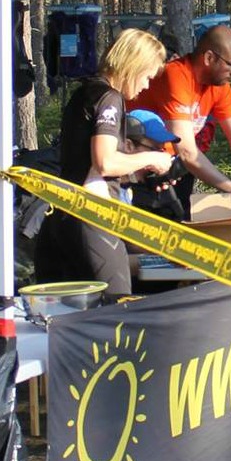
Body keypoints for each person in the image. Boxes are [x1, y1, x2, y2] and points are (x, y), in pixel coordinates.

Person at [35, 28, 175, 297]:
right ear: (133, 65)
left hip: (61, 214)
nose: (146, 86)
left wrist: (135, 172)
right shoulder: (109, 97)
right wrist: (154, 158)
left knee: (67, 311)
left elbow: (86, 163)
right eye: (147, 76)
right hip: (91, 215)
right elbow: (105, 163)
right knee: (117, 305)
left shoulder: (84, 92)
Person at [130, 25, 231, 214]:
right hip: (140, 167)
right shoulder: (176, 76)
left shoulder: (219, 86)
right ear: (209, 58)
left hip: (175, 167)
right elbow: (187, 151)